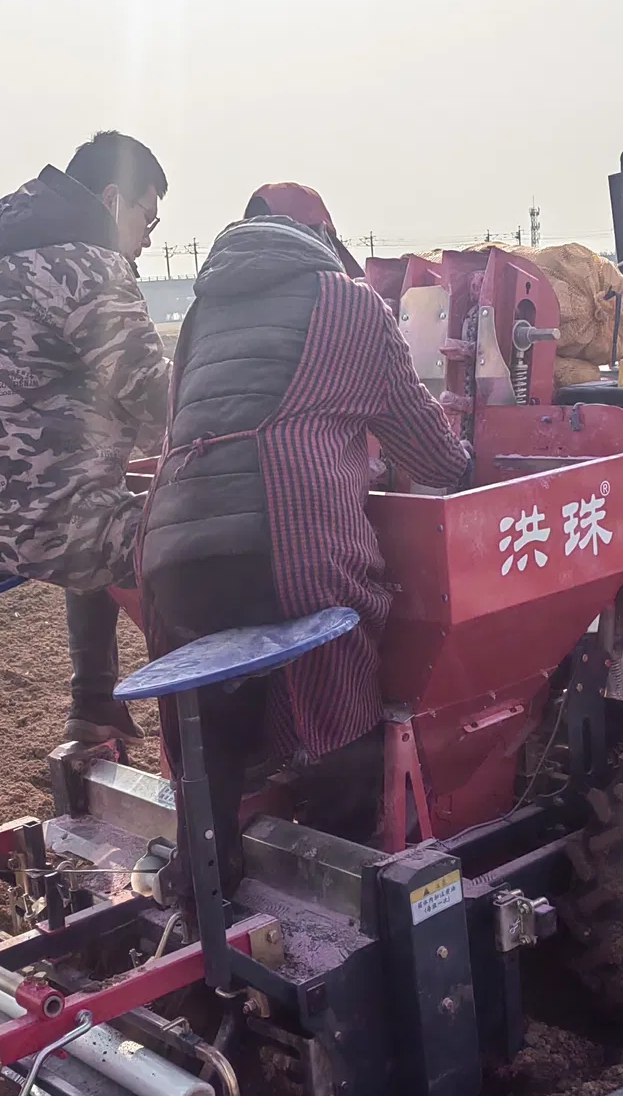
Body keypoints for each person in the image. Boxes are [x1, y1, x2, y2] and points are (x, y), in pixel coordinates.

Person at [139, 199, 471, 891]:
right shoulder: (348, 303)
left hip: (171, 550)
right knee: (340, 655)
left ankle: (209, 859)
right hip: (281, 536)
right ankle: (341, 863)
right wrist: (473, 464)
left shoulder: (204, 313)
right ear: (322, 240)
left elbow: (181, 421)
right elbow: (429, 449)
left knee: (214, 689)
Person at [0, 131, 171, 747]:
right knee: (200, 540)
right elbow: (157, 397)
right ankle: (217, 741)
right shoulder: (88, 263)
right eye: (148, 216)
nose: (149, 237)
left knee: (101, 506)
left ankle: (93, 704)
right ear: (114, 201)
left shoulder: (5, 264)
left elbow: (70, 395)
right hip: (40, 526)